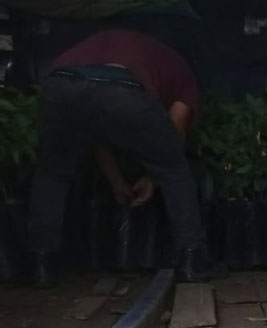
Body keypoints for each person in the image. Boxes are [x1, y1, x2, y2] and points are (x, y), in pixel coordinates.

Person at [26, 28, 217, 285]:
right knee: (175, 172)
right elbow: (176, 128)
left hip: (59, 84)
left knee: (53, 173)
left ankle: (41, 265)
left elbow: (96, 131)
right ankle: (193, 260)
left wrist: (116, 181)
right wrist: (154, 176)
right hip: (122, 88)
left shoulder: (117, 44)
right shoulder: (182, 72)